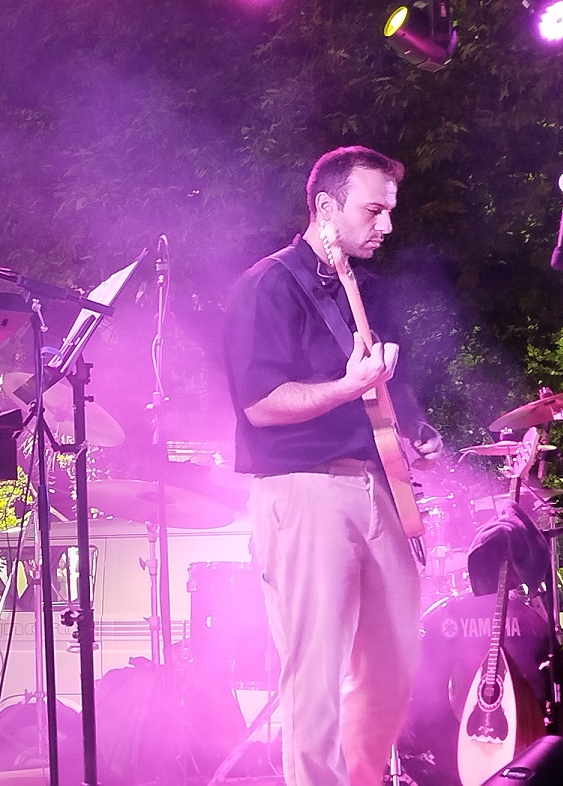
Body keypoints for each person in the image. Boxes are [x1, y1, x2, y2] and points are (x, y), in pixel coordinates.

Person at [223, 146, 443, 786]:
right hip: (302, 489)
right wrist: (347, 388)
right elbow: (260, 404)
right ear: (325, 208)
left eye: (390, 212)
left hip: (378, 487)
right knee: (314, 670)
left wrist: (416, 430)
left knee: (396, 660)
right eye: (373, 211)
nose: (387, 226)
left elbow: (388, 388)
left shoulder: (369, 290)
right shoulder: (268, 285)